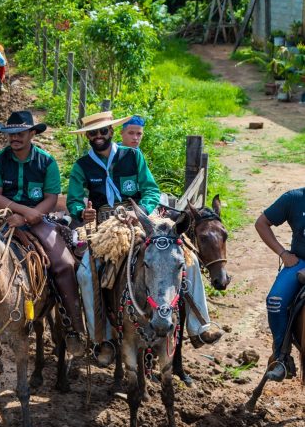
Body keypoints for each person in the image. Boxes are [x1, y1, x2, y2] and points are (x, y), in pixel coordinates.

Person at [66, 111, 222, 366]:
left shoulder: (133, 156)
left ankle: (200, 325)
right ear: (87, 137)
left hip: (142, 217)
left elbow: (150, 189)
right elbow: (73, 198)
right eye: (92, 133)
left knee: (187, 255)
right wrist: (81, 211)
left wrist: (140, 212)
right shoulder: (81, 166)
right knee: (85, 272)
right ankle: (101, 340)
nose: (97, 137)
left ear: (111, 132)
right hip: (105, 223)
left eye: (102, 131)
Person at [0, 111, 86, 355]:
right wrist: (20, 212)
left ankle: (73, 326)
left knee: (64, 263)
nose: (15, 138)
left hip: (39, 219)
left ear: (32, 133)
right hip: (4, 218)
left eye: (20, 133)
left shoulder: (46, 161)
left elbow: (52, 198)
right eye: (11, 134)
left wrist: (33, 215)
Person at [255, 188, 305, 381]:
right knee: (275, 301)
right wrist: (283, 254)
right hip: (299, 261)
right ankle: (282, 357)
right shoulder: (294, 199)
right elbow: (261, 223)